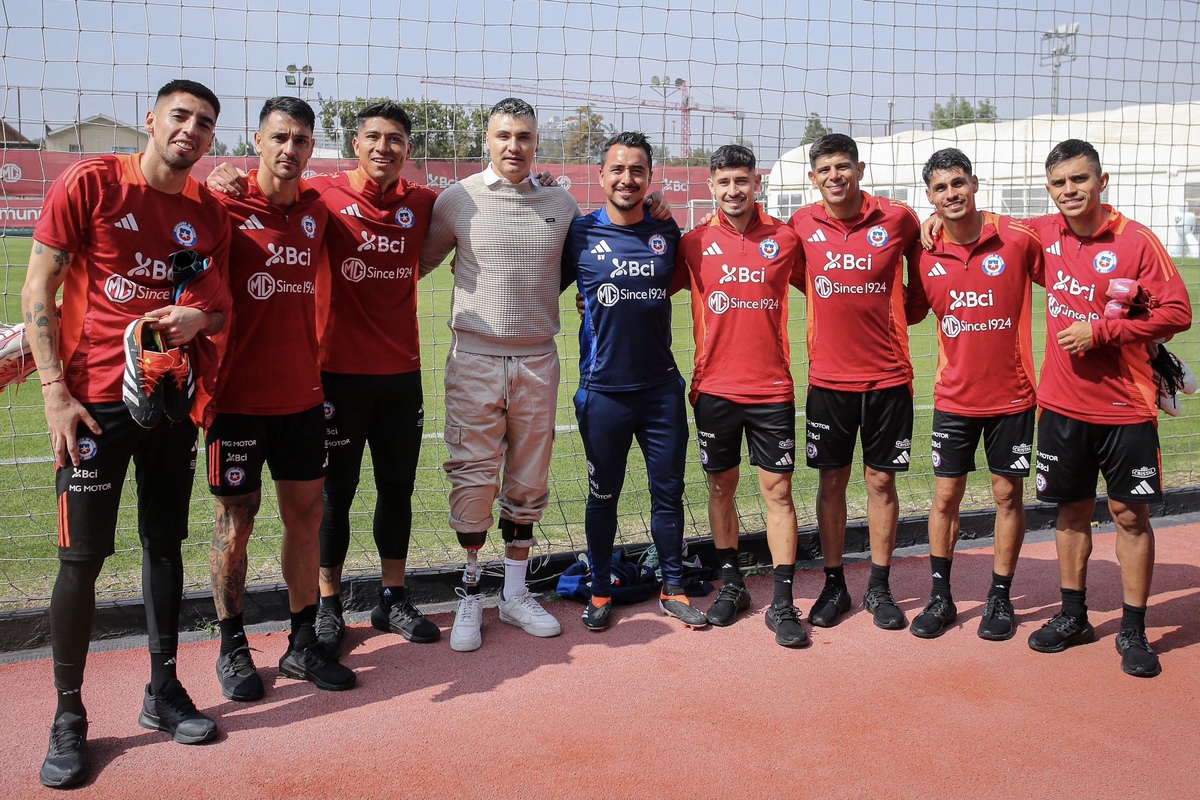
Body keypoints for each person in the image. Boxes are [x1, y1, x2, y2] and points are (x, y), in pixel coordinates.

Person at [24, 79, 230, 788]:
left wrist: (199, 320)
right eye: (181, 116)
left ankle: (162, 692)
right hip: (92, 404)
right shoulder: (92, 183)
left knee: (163, 543)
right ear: (151, 119)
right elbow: (36, 289)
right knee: (81, 559)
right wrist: (55, 394)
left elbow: (221, 309)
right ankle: (69, 714)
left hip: (168, 399)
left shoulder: (208, 212)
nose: (192, 130)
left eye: (205, 123)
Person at [207, 101, 442, 657]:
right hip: (331, 375)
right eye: (374, 138)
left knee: (398, 490)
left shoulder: (427, 203)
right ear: (356, 144)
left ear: (408, 150)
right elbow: (260, 192)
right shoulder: (324, 197)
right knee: (332, 498)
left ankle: (393, 597)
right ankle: (329, 606)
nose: (385, 148)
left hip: (402, 373)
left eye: (396, 140)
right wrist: (224, 174)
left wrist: (541, 179)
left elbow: (464, 219)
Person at [205, 97, 356, 701]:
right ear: (258, 141)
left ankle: (300, 645)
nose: (289, 149)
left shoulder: (318, 211)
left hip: (302, 400)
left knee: (305, 520)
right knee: (234, 525)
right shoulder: (222, 203)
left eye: (300, 140)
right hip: (236, 400)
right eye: (279, 138)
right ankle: (232, 644)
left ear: (310, 147)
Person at [1024, 139, 1190, 677]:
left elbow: (1178, 312)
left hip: (1126, 407)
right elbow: (984, 224)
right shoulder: (1044, 232)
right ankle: (1074, 616)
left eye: (1079, 179)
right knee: (1070, 515)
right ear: (1048, 189)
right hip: (1061, 406)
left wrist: (1102, 331)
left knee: (1129, 516)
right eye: (1058, 183)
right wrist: (932, 221)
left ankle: (1134, 629)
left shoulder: (1137, 241)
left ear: (1102, 180)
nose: (1069, 191)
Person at [418, 97, 579, 652]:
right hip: (474, 360)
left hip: (538, 360)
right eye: (504, 136)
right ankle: (470, 592)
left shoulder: (561, 203)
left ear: (537, 144)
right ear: (487, 140)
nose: (515, 146)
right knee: (472, 476)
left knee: (529, 481)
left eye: (525, 137)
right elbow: (413, 266)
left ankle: (513, 594)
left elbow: (580, 262)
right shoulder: (457, 200)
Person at [561, 131, 707, 632]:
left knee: (668, 494)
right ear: (600, 176)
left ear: (650, 177)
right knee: (603, 495)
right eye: (617, 170)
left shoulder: (668, 234)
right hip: (603, 391)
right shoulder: (578, 234)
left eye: (638, 171)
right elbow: (538, 283)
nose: (627, 179)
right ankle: (600, 589)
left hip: (661, 390)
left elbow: (694, 275)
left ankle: (673, 586)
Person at [905, 148, 1044, 640]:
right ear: (930, 197)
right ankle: (940, 598)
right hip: (954, 398)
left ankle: (1000, 599)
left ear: (975, 184)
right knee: (945, 497)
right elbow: (909, 309)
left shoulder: (1018, 238)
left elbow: (1071, 274)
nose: (951, 194)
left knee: (1008, 495)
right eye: (941, 189)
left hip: (1013, 396)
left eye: (958, 184)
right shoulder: (924, 251)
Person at [787, 133, 923, 631]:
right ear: (813, 178)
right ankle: (834, 584)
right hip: (827, 379)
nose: (834, 177)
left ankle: (880, 588)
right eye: (824, 170)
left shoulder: (900, 218)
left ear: (860, 170)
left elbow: (926, 275)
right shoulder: (802, 222)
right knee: (831, 481)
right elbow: (797, 272)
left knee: (881, 481)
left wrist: (901, 314)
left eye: (842, 167)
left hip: (888, 378)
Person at [676, 144, 809, 647]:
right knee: (720, 488)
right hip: (714, 389)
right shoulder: (693, 243)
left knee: (778, 492)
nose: (734, 190)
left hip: (772, 390)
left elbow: (829, 285)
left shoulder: (786, 239)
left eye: (742, 181)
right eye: (724, 182)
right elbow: (646, 285)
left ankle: (782, 599)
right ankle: (732, 585)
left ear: (758, 183)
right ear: (711, 186)